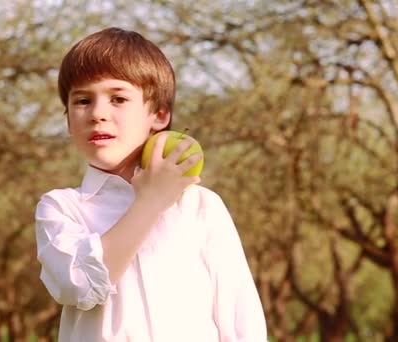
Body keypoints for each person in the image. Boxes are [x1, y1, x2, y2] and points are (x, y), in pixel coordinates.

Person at [34, 27, 267, 342]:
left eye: (118, 98)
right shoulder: (62, 208)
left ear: (159, 114)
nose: (98, 113)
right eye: (83, 100)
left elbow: (241, 321)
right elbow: (78, 285)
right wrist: (149, 203)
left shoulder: (199, 206)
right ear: (67, 120)